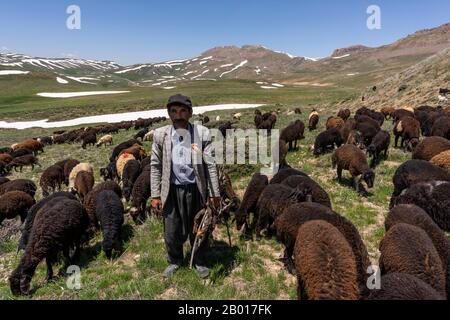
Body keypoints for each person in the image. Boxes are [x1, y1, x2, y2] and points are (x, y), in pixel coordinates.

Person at [150, 94, 221, 279]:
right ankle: (175, 260)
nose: (178, 115)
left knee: (199, 227)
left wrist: (214, 192)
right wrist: (155, 194)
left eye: (182, 111)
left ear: (190, 113)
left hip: (196, 189)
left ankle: (199, 261)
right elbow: (155, 166)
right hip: (172, 190)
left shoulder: (202, 133)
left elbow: (210, 164)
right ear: (169, 114)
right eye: (174, 111)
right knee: (171, 230)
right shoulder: (160, 135)